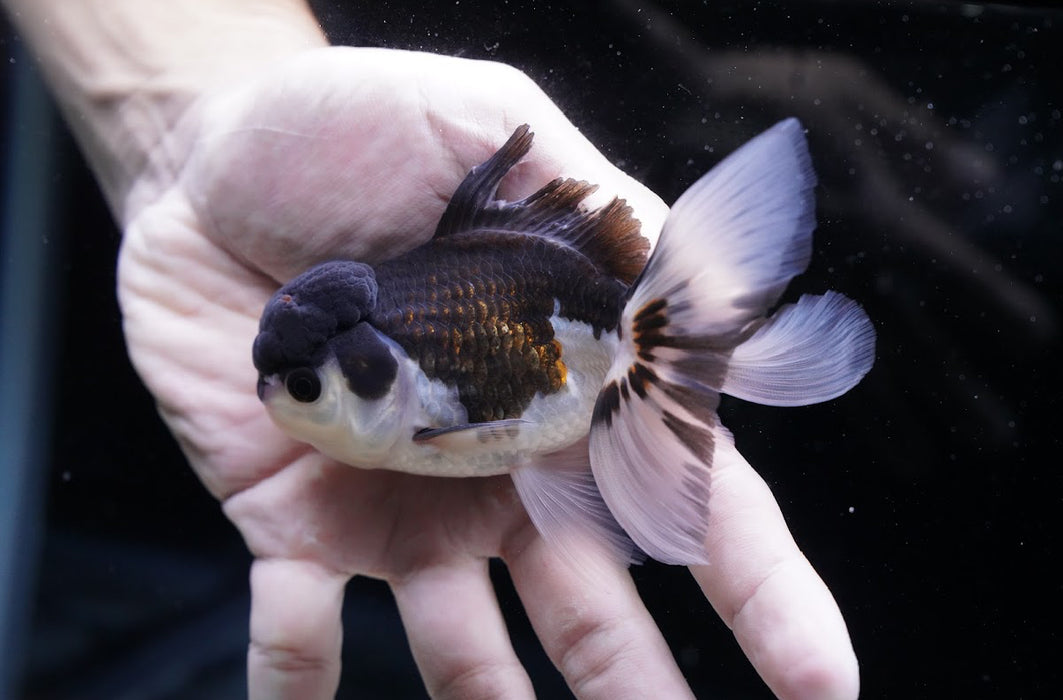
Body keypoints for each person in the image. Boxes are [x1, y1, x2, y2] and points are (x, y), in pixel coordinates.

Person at [1, 1, 859, 698]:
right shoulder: (399, 404)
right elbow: (531, 449)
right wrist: (180, 139)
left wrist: (187, 133)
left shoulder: (465, 386)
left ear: (375, 375)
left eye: (305, 389)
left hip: (575, 323)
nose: (280, 401)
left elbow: (528, 444)